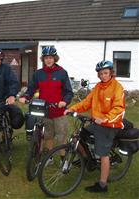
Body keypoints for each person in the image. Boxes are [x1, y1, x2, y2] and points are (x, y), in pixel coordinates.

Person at [64, 60, 125, 193]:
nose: (103, 75)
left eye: (105, 73)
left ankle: (102, 184)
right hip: (97, 122)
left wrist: (104, 119)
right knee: (78, 137)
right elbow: (87, 102)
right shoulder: (98, 87)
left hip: (110, 124)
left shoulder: (117, 88)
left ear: (111, 73)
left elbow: (119, 109)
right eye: (101, 73)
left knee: (102, 153)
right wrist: (72, 109)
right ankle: (87, 160)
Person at [19, 46, 73, 155]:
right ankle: (50, 157)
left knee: (61, 137)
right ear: (43, 59)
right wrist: (26, 97)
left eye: (51, 58)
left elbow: (69, 92)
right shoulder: (39, 74)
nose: (48, 60)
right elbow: (31, 88)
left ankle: (63, 160)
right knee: (48, 136)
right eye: (46, 58)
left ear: (55, 58)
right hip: (45, 111)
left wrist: (65, 102)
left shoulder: (62, 73)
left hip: (59, 111)